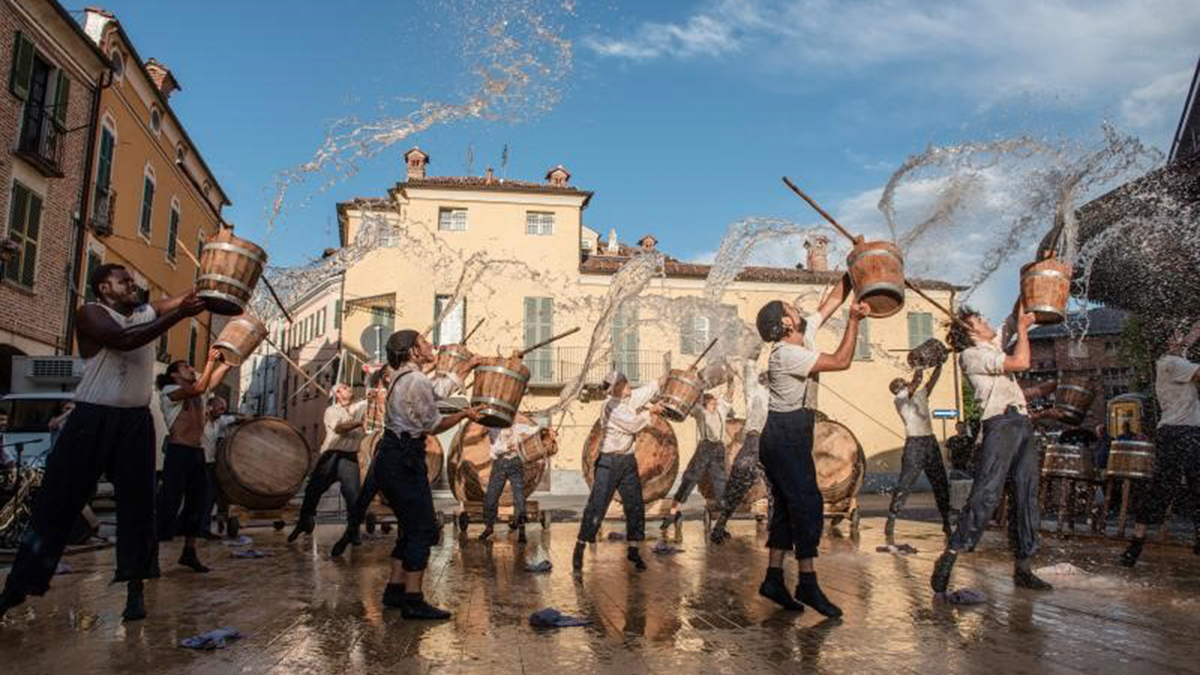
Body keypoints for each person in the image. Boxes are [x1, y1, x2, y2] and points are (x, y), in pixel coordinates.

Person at [0, 263, 205, 621]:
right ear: (103, 288)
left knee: (140, 508)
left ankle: (135, 588)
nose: (132, 283)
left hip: (135, 422)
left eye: (132, 279)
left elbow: (182, 300)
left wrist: (210, 291)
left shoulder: (144, 312)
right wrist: (179, 316)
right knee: (57, 503)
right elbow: (126, 340)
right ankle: (17, 588)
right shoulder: (92, 313)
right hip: (91, 418)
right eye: (122, 280)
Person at [752, 271, 865, 618]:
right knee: (808, 504)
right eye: (791, 307)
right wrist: (855, 320)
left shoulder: (804, 334)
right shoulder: (786, 354)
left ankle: (773, 578)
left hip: (792, 432)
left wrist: (854, 268)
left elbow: (832, 300)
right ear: (787, 322)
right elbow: (842, 361)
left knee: (787, 507)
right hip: (782, 434)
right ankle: (807, 582)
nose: (798, 308)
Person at [931, 301, 1056, 596]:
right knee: (987, 493)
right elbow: (1021, 363)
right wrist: (1024, 331)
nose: (987, 322)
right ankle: (952, 553)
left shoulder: (992, 344)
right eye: (979, 321)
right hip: (1000, 424)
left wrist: (1029, 280)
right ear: (970, 332)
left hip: (1022, 421)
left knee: (1026, 493)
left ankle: (1024, 567)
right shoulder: (971, 355)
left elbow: (1014, 316)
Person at [370, 329, 480, 619]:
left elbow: (436, 394)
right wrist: (464, 415)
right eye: (423, 342)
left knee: (408, 527)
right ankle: (413, 600)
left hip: (392, 458)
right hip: (405, 459)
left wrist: (464, 369)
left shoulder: (404, 378)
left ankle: (394, 590)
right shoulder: (415, 379)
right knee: (423, 529)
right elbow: (433, 423)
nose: (431, 345)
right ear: (413, 352)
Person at [1121, 320, 1200, 566]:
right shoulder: (1171, 364)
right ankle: (1136, 542)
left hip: (1190, 432)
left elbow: (1193, 335)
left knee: (1196, 486)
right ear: (1168, 342)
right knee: (1163, 487)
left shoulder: (1178, 358)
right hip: (1176, 433)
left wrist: (1193, 332)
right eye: (1177, 335)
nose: (1182, 337)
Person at [573, 370, 665, 573]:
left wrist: (666, 377)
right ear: (618, 388)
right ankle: (580, 546)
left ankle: (633, 549)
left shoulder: (627, 400)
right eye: (625, 383)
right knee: (597, 507)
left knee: (635, 506)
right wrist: (650, 412)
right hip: (608, 463)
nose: (629, 384)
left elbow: (649, 389)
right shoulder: (610, 407)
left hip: (627, 462)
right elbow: (633, 425)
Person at [156, 352, 229, 573]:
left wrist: (227, 362)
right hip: (178, 452)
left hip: (196, 453)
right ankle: (151, 553)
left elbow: (210, 381)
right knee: (168, 503)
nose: (190, 368)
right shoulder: (169, 392)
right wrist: (208, 361)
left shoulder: (199, 393)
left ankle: (189, 552)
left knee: (197, 503)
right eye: (185, 366)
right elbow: (198, 387)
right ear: (174, 375)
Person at [288, 384, 369, 543]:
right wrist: (359, 423)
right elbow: (339, 428)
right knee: (314, 490)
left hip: (349, 456)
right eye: (344, 388)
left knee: (353, 495)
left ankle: (353, 530)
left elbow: (373, 402)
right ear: (337, 394)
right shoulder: (331, 411)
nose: (349, 388)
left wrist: (374, 395)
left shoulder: (360, 407)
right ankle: (304, 522)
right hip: (331, 455)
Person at [885, 360, 953, 540]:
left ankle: (946, 521)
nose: (904, 383)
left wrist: (939, 365)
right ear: (897, 389)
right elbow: (917, 382)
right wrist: (920, 366)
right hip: (914, 444)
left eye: (903, 381)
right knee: (905, 483)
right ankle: (892, 518)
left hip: (929, 442)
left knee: (940, 483)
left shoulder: (920, 395)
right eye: (901, 383)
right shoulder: (899, 399)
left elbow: (931, 382)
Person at [660, 383, 734, 533]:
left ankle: (721, 524)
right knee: (690, 479)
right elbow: (689, 406)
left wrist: (731, 379)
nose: (715, 403)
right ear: (705, 403)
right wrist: (697, 388)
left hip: (718, 449)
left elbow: (730, 394)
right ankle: (672, 514)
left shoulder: (721, 410)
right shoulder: (700, 412)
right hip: (704, 448)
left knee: (720, 484)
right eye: (712, 402)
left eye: (715, 401)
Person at [710, 365, 770, 544]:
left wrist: (733, 369)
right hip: (763, 442)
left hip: (750, 443)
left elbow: (749, 371)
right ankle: (776, 536)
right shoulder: (771, 396)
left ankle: (719, 528)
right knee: (774, 489)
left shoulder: (753, 394)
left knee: (736, 485)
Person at [479, 423, 550, 543]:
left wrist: (546, 429)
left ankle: (521, 527)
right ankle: (489, 527)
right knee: (491, 496)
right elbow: (494, 449)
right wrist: (506, 446)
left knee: (519, 497)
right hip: (500, 464)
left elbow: (533, 429)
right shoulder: (495, 428)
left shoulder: (517, 427)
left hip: (515, 463)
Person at [200, 396, 238, 538]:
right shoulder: (201, 420)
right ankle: (198, 529)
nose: (223, 411)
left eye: (224, 408)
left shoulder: (219, 421)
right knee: (203, 497)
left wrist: (252, 418)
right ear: (210, 407)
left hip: (210, 463)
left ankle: (203, 528)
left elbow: (233, 419)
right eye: (220, 408)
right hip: (199, 462)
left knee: (210, 497)